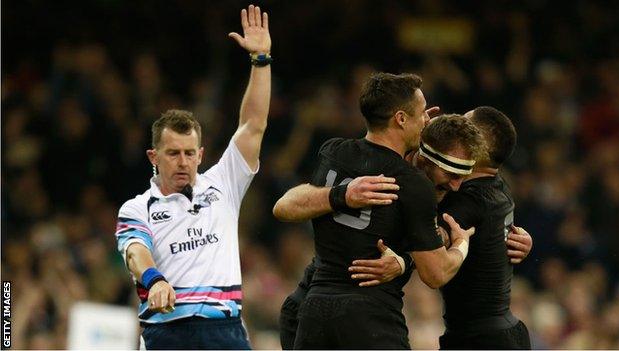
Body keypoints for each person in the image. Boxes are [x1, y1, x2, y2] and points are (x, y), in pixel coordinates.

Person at [275, 109, 533, 349]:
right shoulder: (385, 170)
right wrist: (342, 195)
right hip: (329, 309)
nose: (453, 186)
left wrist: (404, 260)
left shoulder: (466, 192)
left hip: (325, 311)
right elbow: (284, 206)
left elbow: (436, 243)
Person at [114, 5, 271, 349]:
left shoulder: (223, 184)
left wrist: (261, 60)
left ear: (201, 154)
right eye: (173, 153)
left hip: (225, 331)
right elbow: (135, 252)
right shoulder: (136, 209)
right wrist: (155, 281)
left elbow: (253, 126)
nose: (183, 162)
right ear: (153, 157)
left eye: (189, 153)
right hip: (168, 334)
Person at [350, 106, 532, 349]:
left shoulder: (466, 199)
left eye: (465, 125)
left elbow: (439, 239)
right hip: (500, 334)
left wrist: (403, 261)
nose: (458, 126)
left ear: (478, 147)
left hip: (479, 340)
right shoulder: (498, 187)